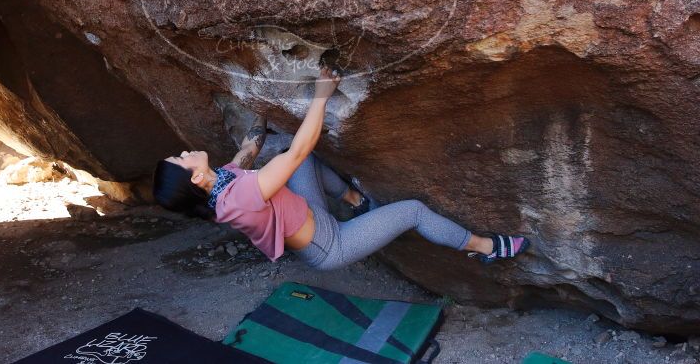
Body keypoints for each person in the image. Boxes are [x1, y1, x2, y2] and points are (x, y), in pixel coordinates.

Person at [152, 66, 530, 270]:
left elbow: (247, 151)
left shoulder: (222, 183)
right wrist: (320, 95)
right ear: (196, 178)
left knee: (299, 160)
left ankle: (354, 199)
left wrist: (260, 106)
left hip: (308, 215)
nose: (185, 153)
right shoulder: (240, 197)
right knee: (413, 211)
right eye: (181, 161)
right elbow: (298, 151)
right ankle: (486, 247)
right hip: (331, 244)